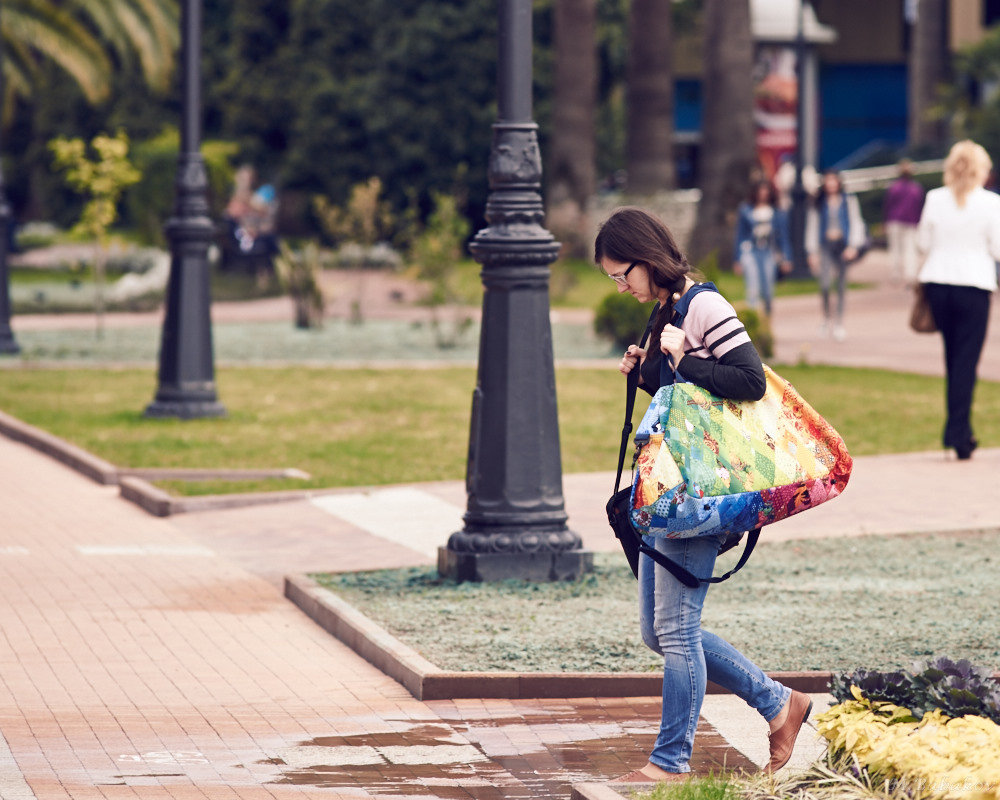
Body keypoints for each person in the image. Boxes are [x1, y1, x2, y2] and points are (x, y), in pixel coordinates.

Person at [594, 207, 812, 781]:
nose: (621, 287)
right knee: (657, 632)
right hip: (664, 489)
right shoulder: (665, 311)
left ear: (647, 257)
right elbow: (682, 402)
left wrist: (682, 358)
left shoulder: (704, 306)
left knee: (677, 631)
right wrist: (646, 373)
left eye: (622, 275)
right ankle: (779, 703)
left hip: (701, 495)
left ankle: (670, 762)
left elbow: (749, 380)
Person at [916, 140, 1000, 461]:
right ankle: (959, 434)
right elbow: (997, 248)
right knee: (966, 362)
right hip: (973, 286)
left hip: (939, 285)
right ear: (982, 169)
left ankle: (958, 430)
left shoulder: (935, 198)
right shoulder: (990, 203)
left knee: (953, 358)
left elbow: (924, 242)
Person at [806, 169, 867, 341]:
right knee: (825, 284)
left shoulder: (848, 200)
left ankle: (839, 322)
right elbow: (813, 225)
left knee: (840, 286)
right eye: (828, 181)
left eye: (834, 180)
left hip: (842, 245)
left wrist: (853, 246)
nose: (831, 184)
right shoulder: (819, 203)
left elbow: (856, 222)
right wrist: (812, 251)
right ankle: (826, 317)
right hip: (825, 245)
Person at [733, 180, 791, 315]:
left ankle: (767, 315)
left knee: (768, 289)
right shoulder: (746, 210)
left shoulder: (776, 212)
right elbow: (740, 235)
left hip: (768, 251)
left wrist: (786, 257)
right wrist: (737, 259)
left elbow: (783, 236)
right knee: (752, 287)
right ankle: (754, 319)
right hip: (751, 250)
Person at [883, 159, 925, 284]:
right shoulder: (916, 189)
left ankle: (896, 273)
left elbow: (887, 205)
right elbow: (920, 206)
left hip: (895, 220)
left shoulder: (894, 187)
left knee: (895, 248)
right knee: (910, 249)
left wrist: (885, 221)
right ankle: (910, 274)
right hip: (911, 221)